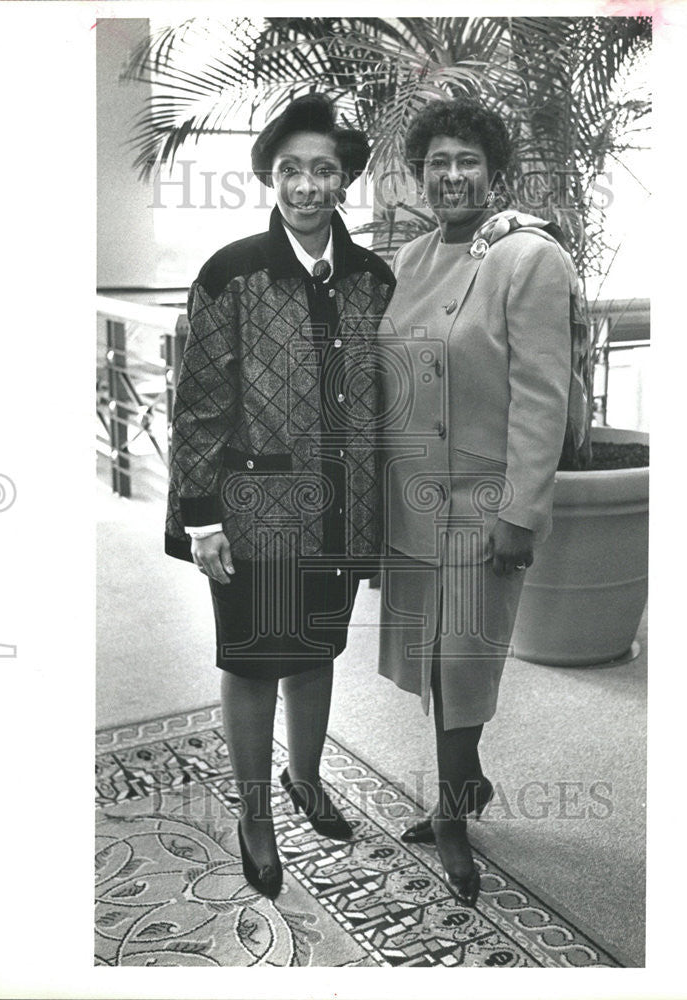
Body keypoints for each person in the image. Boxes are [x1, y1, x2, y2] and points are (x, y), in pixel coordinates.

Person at [165, 95, 394, 899]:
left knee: (318, 649)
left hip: (340, 508)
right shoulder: (232, 273)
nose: (306, 185)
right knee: (258, 660)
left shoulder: (372, 279)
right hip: (251, 512)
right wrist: (201, 517)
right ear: (270, 175)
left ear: (345, 179)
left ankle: (305, 778)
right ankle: (257, 814)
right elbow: (195, 402)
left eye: (323, 170)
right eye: (291, 169)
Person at [378, 97, 574, 905]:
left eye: (467, 161)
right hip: (412, 495)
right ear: (419, 176)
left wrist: (521, 510)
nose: (451, 175)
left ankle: (454, 811)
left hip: (483, 495)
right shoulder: (413, 256)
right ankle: (471, 781)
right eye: (436, 164)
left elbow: (541, 394)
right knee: (431, 659)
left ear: (495, 172)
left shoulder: (530, 257)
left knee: (463, 659)